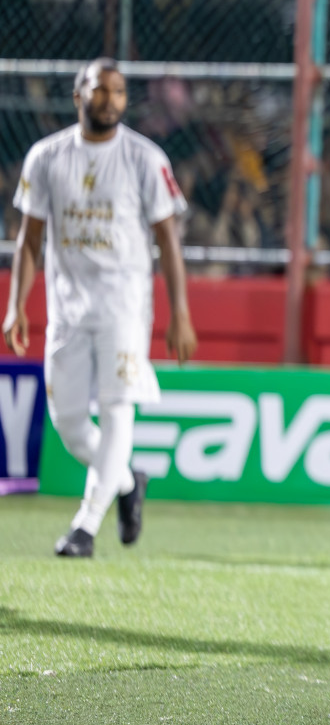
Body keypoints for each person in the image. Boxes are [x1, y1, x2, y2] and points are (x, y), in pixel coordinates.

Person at [4, 58, 197, 557]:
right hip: (67, 307)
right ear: (77, 95)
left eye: (118, 91)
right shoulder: (46, 157)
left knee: (116, 412)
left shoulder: (144, 157)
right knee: (68, 424)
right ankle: (128, 482)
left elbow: (168, 242)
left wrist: (180, 311)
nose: (109, 99)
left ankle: (85, 526)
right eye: (99, 89)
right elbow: (29, 241)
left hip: (125, 308)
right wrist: (16, 305)